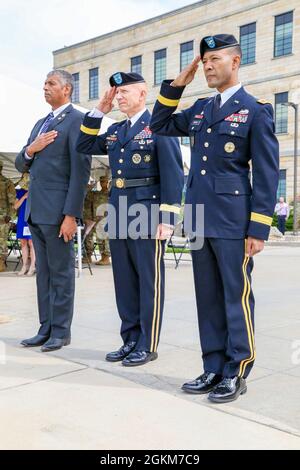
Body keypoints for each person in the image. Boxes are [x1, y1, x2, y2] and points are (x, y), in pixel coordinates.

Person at [150, 34, 279, 402]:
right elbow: (160, 124)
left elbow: (267, 174)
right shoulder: (201, 108)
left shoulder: (255, 109)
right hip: (199, 218)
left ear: (235, 62)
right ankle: (213, 366)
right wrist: (177, 85)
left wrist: (259, 227)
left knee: (234, 296)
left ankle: (236, 371)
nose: (207, 65)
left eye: (214, 59)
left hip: (233, 220)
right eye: (204, 60)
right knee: (207, 297)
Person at [77, 72, 184, 366]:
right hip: (120, 212)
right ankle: (130, 340)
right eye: (117, 92)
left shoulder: (159, 127)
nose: (120, 96)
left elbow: (174, 175)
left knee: (148, 282)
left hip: (148, 215)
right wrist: (100, 111)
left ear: (142, 93)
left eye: (125, 92)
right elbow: (84, 145)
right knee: (124, 282)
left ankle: (147, 344)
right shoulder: (116, 131)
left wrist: (167, 218)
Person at [15, 70, 91, 352]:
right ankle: (45, 328)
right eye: (44, 83)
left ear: (67, 89)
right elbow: (22, 164)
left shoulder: (77, 121)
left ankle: (61, 331)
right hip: (36, 211)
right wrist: (30, 150)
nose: (45, 88)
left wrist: (71, 215)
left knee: (61, 274)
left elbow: (80, 173)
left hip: (59, 214)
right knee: (44, 274)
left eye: (51, 83)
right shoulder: (39, 124)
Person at [14, 173, 36, 276]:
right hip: (22, 220)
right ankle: (24, 266)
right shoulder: (19, 192)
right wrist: (24, 197)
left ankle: (32, 266)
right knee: (23, 243)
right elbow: (15, 206)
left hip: (32, 219)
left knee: (32, 243)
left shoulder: (37, 192)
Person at [0, 160, 16, 272]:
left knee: (2, 240)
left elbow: (12, 201)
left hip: (3, 217)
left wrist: (10, 216)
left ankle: (1, 263)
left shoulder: (7, 182)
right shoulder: (7, 182)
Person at [94, 175, 111, 266]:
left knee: (106, 239)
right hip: (98, 219)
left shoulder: (110, 194)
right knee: (100, 238)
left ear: (107, 182)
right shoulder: (97, 194)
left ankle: (106, 257)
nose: (102, 183)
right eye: (101, 182)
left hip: (107, 219)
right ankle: (102, 256)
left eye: (104, 182)